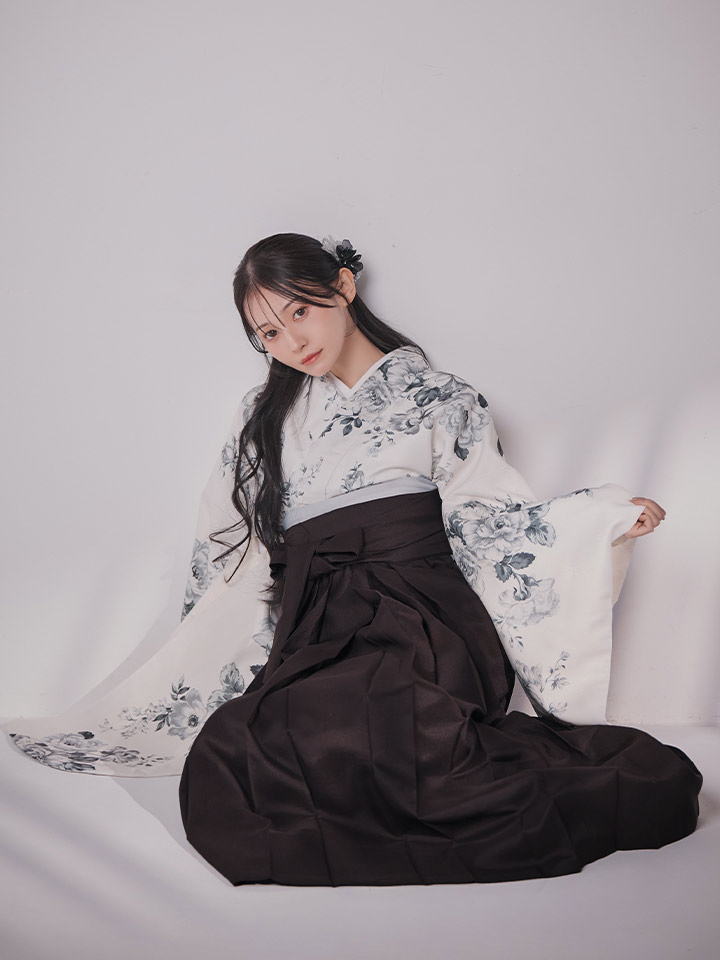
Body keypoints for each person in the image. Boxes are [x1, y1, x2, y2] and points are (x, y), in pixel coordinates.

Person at [2, 232, 702, 887]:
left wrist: (599, 518)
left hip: (424, 618)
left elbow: (491, 522)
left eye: (299, 311)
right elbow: (229, 538)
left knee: (386, 741)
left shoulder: (442, 399)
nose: (290, 341)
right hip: (318, 622)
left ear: (343, 287)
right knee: (236, 748)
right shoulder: (263, 418)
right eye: (268, 332)